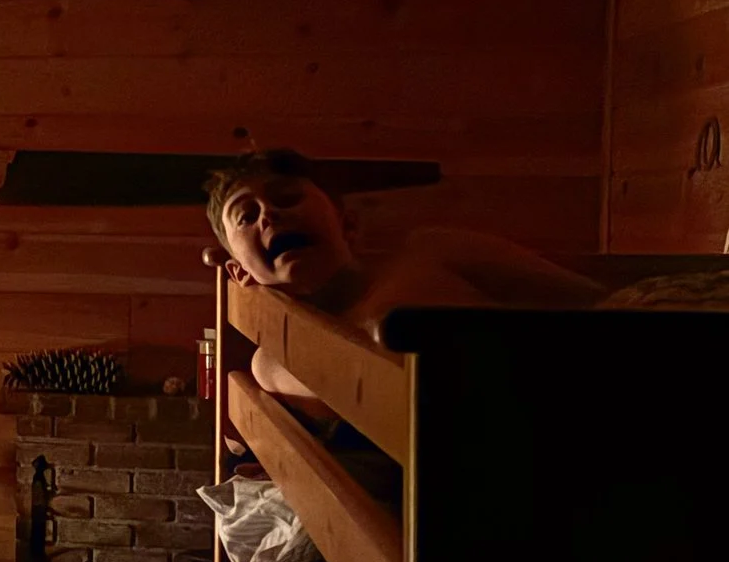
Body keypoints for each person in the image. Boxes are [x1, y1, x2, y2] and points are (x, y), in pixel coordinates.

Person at [205, 148, 598, 423]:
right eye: (246, 216)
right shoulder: (274, 359)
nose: (269, 214)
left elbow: (596, 302)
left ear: (348, 225)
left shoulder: (433, 252)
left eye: (288, 199)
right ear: (240, 273)